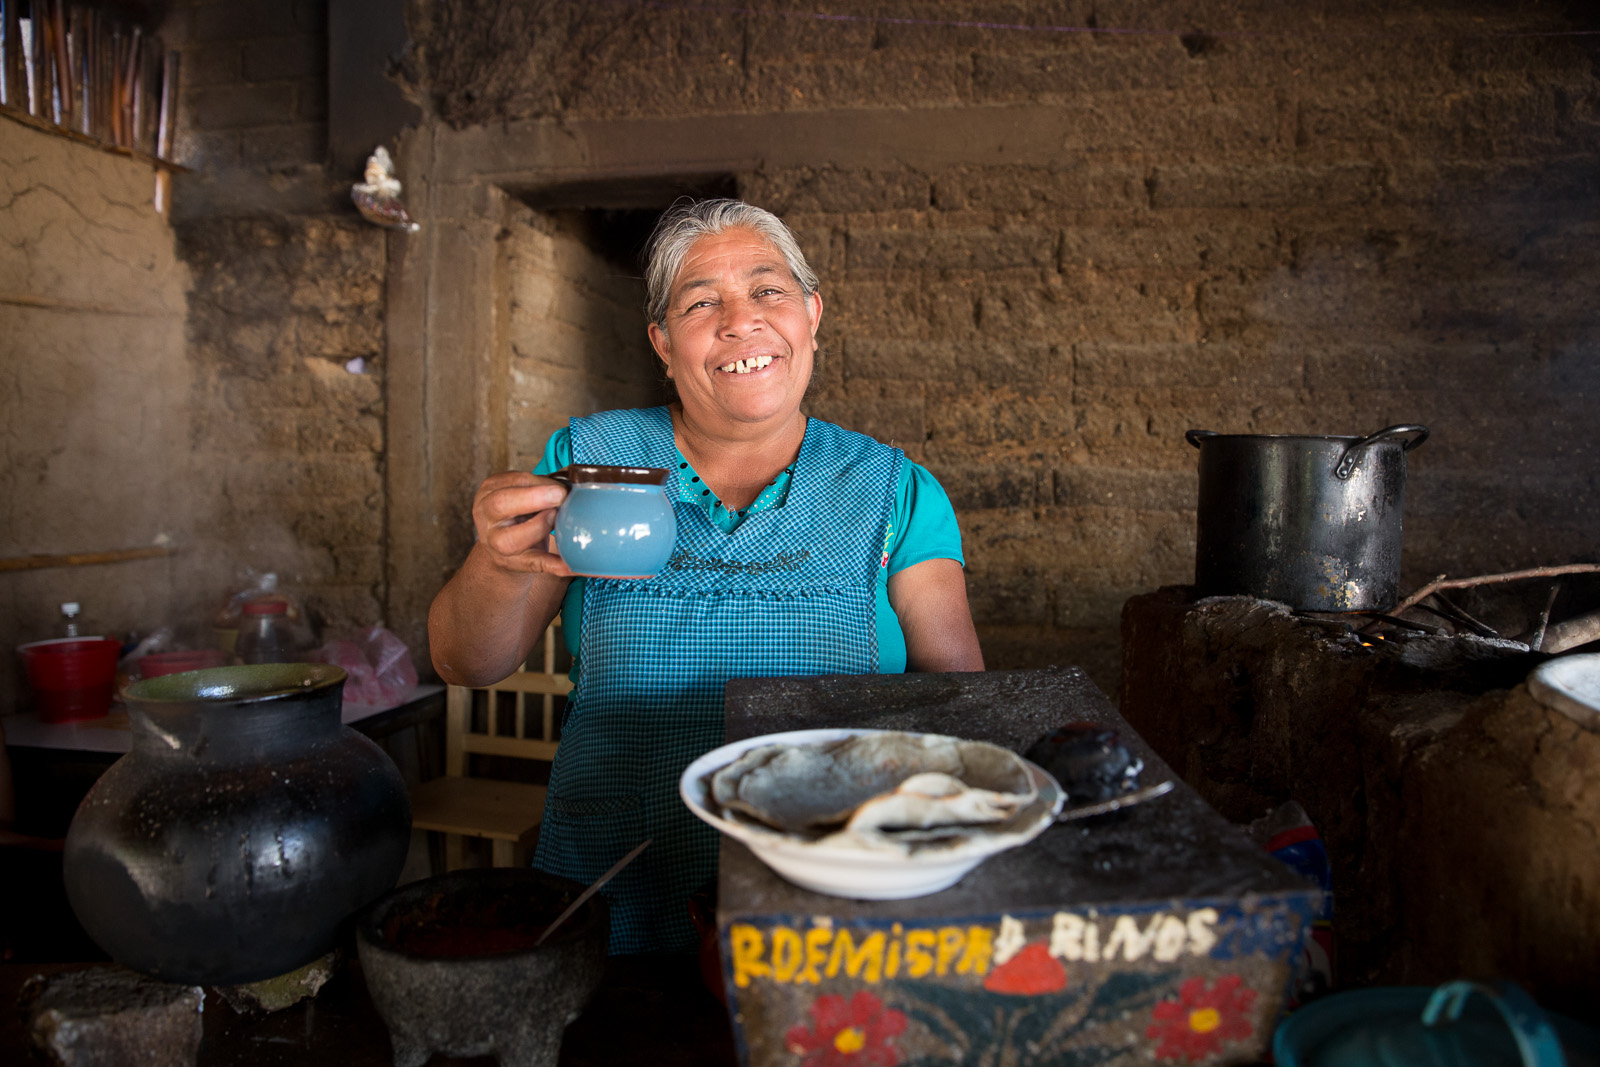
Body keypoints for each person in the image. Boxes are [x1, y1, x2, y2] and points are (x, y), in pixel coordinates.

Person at [428, 198, 983, 954]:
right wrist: (495, 559)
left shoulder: (893, 491)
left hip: (824, 893)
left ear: (811, 315)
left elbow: (960, 710)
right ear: (662, 342)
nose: (740, 320)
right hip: (617, 882)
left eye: (768, 291)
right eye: (700, 303)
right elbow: (466, 661)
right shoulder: (590, 465)